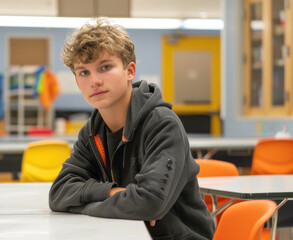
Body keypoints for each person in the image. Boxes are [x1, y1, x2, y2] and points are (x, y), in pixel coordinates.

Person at [48, 18, 215, 240]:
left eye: (105, 67)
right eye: (83, 72)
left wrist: (83, 206)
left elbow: (149, 203)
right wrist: (111, 192)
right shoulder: (92, 131)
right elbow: (59, 193)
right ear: (77, 82)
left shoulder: (163, 125)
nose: (94, 80)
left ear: (130, 71)